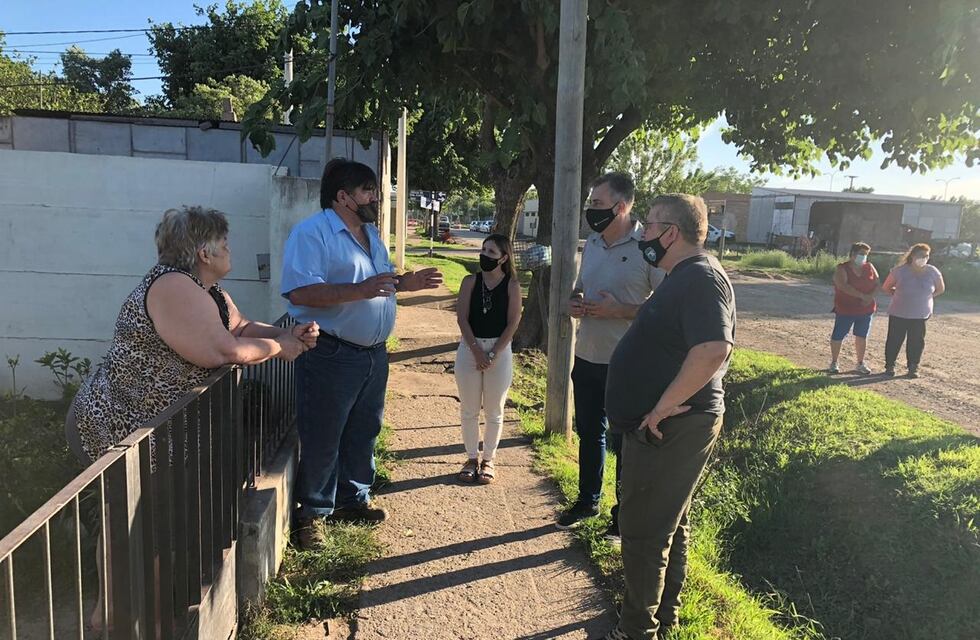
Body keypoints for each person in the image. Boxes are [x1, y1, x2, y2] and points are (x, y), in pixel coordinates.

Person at [66, 206, 316, 633]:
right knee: (138, 531)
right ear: (204, 251)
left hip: (155, 436)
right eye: (224, 242)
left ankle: (129, 615)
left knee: (146, 529)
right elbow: (222, 351)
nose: (230, 249)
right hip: (119, 428)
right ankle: (123, 620)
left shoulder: (207, 290)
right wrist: (281, 349)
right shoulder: (173, 286)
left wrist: (283, 334)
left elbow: (239, 328)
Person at [281, 159, 442, 548]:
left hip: (373, 355)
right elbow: (299, 292)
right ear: (343, 197)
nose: (375, 198)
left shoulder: (370, 234)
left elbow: (379, 283)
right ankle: (312, 514)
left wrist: (406, 283)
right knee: (324, 433)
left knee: (364, 428)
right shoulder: (312, 233)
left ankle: (352, 499)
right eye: (368, 190)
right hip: (331, 352)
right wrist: (360, 290)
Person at [597, 194, 736, 640]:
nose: (643, 232)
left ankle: (636, 630)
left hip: (672, 424)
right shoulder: (683, 275)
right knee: (668, 524)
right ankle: (663, 618)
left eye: (651, 224)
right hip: (669, 424)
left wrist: (660, 406)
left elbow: (714, 349)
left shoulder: (700, 277)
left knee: (644, 531)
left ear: (671, 232)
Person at [557, 172, 663, 545]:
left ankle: (623, 519)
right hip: (587, 355)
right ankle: (588, 501)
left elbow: (664, 306)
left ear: (621, 207)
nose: (591, 209)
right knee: (589, 433)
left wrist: (620, 310)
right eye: (591, 202)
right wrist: (574, 301)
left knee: (624, 443)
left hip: (626, 364)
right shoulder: (592, 242)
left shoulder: (647, 247)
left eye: (597, 203)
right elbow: (580, 287)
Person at [454, 234, 523, 484]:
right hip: (469, 349)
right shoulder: (470, 281)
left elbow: (513, 322)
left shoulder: (512, 285)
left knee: (494, 410)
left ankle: (488, 460)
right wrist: (476, 351)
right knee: (469, 409)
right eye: (483, 250)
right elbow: (462, 318)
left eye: (491, 252)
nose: (484, 255)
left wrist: (493, 354)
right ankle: (471, 458)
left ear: (503, 258)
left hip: (499, 352)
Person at [881, 243, 945, 378]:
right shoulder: (899, 271)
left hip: (920, 314)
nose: (924, 258)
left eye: (926, 256)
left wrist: (926, 297)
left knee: (916, 341)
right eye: (921, 255)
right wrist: (896, 295)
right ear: (912, 256)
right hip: (899, 312)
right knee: (894, 340)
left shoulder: (932, 271)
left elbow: (940, 289)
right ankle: (890, 365)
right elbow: (886, 287)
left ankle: (913, 367)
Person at [829, 242, 879, 375]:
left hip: (865, 309)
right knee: (839, 335)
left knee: (862, 336)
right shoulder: (842, 268)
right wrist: (863, 296)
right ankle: (834, 362)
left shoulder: (870, 267)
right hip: (846, 308)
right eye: (861, 253)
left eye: (866, 254)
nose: (864, 256)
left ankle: (860, 363)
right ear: (852, 254)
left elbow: (877, 283)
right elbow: (843, 286)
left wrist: (869, 297)